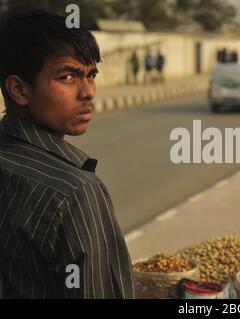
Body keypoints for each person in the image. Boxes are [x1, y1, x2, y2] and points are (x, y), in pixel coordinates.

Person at [0, 10, 135, 299]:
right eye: (67, 76)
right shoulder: (75, 192)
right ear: (19, 89)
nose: (88, 92)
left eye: (91, 75)